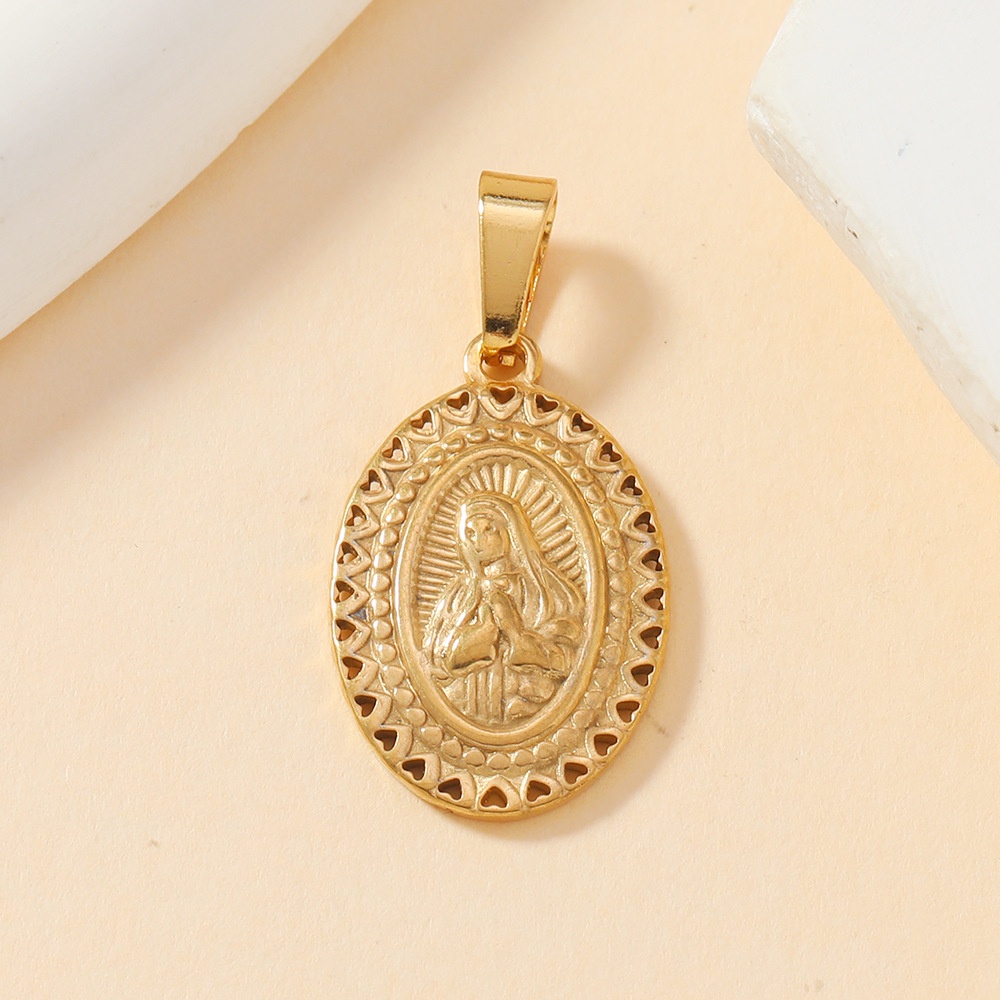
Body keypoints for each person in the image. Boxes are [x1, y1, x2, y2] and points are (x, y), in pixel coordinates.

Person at [423, 494, 583, 724]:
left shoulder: (545, 591)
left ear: (510, 532)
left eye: (488, 530)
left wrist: (520, 640)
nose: (478, 541)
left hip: (527, 707)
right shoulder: (458, 595)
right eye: (470, 533)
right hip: (462, 711)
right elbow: (435, 657)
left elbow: (571, 653)